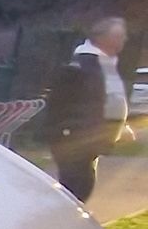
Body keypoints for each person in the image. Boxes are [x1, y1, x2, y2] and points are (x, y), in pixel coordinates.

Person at [41, 16, 133, 202]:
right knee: (77, 190)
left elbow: (108, 99)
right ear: (102, 38)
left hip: (89, 141)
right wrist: (67, 133)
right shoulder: (82, 66)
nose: (124, 41)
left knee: (80, 189)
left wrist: (120, 125)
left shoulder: (105, 64)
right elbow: (61, 103)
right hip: (76, 140)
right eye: (119, 36)